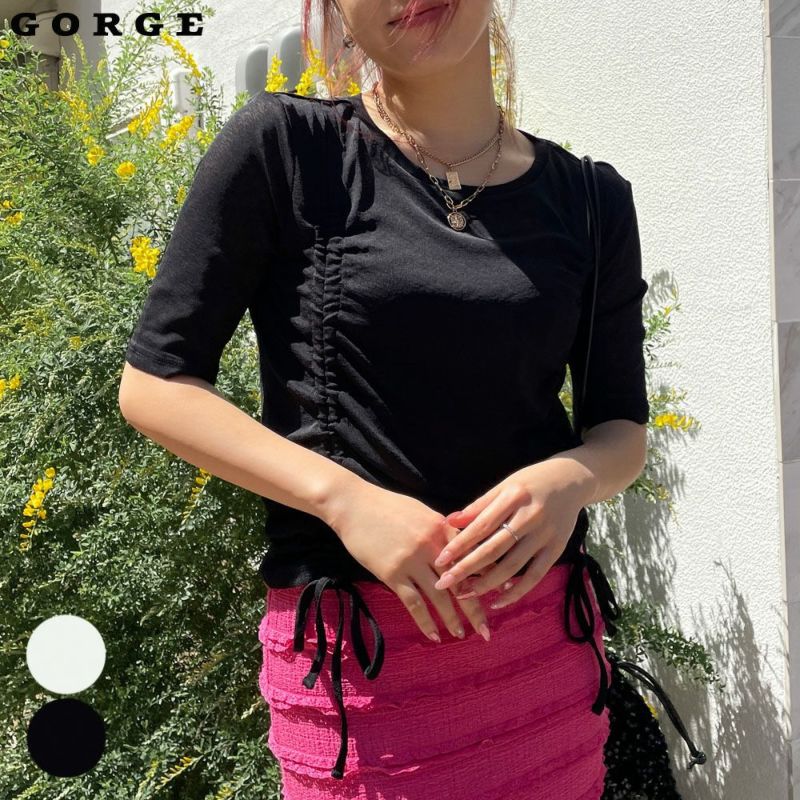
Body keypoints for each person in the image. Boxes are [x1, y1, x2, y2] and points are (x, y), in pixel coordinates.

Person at [118, 1, 650, 797]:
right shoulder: (286, 149)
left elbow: (621, 431)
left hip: (540, 657)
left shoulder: (591, 199)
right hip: (359, 668)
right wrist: (343, 500)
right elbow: (155, 384)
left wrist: (571, 478)